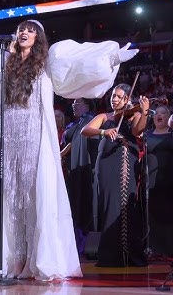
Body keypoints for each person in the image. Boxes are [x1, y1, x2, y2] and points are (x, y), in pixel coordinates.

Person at [0, 19, 137, 280]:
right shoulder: (4, 64)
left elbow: (78, 67)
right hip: (8, 137)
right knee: (9, 198)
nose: (24, 32)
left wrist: (111, 58)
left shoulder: (49, 62)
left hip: (35, 138)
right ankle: (13, 260)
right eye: (21, 30)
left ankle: (35, 259)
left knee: (34, 196)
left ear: (39, 37)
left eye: (30, 30)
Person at [81, 86, 150, 267]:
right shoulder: (105, 117)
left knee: (126, 204)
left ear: (127, 99)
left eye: (119, 97)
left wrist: (144, 113)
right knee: (109, 203)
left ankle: (129, 254)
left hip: (124, 160)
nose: (115, 100)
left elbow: (136, 131)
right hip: (105, 163)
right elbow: (85, 131)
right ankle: (110, 254)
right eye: (113, 96)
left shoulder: (133, 115)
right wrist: (103, 132)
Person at [60, 98, 99, 253]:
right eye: (73, 103)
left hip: (84, 168)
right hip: (71, 168)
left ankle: (83, 243)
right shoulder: (75, 124)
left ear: (87, 105)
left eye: (78, 103)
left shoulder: (89, 122)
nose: (74, 106)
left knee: (82, 203)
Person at [142, 104, 173, 258]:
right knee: (153, 214)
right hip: (151, 179)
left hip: (170, 179)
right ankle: (153, 249)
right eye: (156, 113)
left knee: (168, 214)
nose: (159, 115)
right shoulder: (146, 135)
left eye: (163, 113)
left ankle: (168, 248)